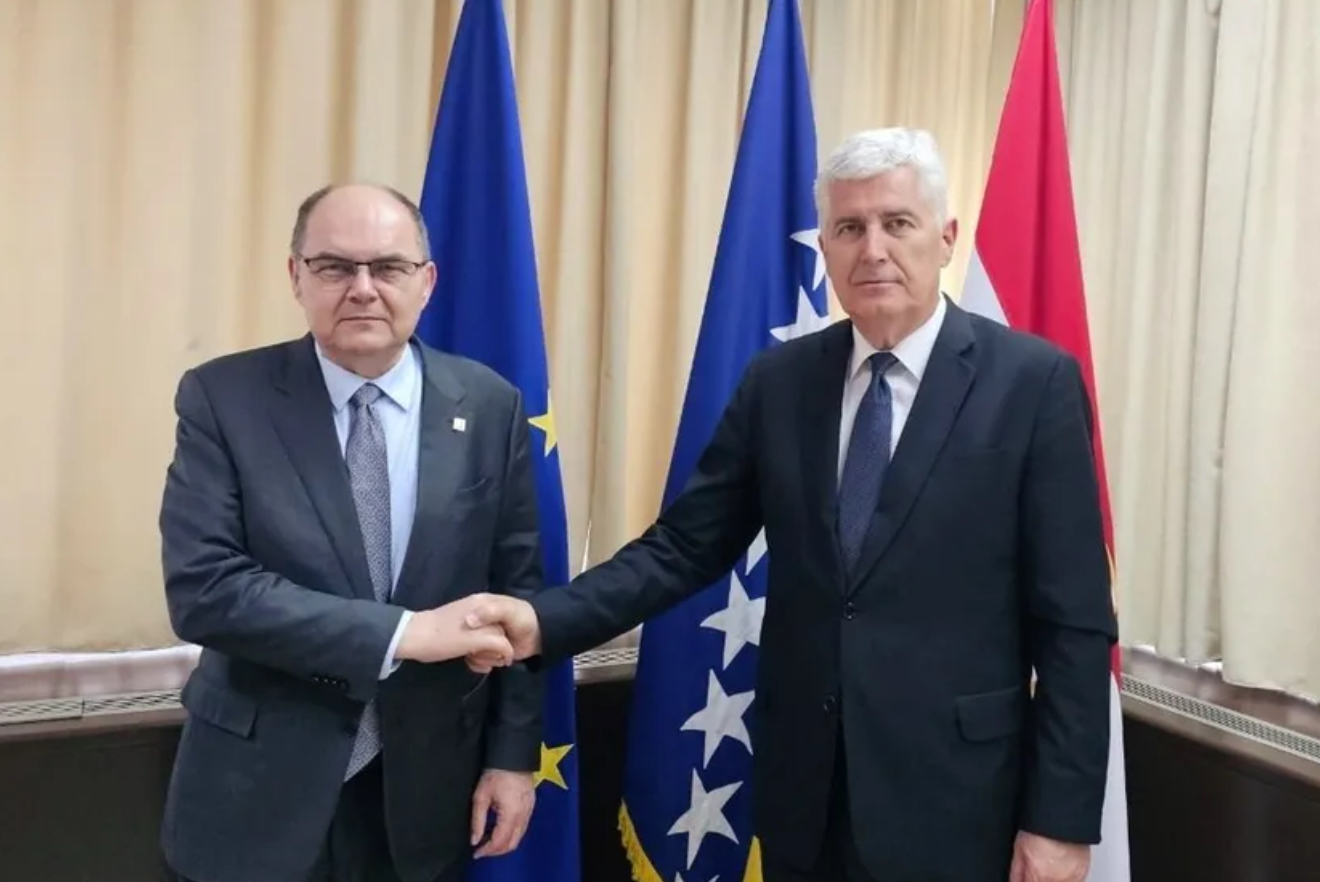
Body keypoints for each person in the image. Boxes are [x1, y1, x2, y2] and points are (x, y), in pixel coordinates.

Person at [463, 128, 1118, 882]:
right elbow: (685, 546)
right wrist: (544, 620)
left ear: (945, 239)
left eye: (897, 223)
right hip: (804, 793)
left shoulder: (1032, 384)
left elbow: (1072, 624)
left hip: (963, 802)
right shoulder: (781, 382)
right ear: (826, 248)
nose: (873, 249)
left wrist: (1060, 821)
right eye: (850, 228)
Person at [158, 183, 546, 882]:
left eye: (389, 267)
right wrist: (404, 634)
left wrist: (512, 757)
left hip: (428, 792)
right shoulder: (224, 398)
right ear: (296, 277)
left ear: (427, 282)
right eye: (335, 266)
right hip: (258, 788)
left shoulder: (491, 405)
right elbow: (206, 591)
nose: (363, 289)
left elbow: (518, 593)